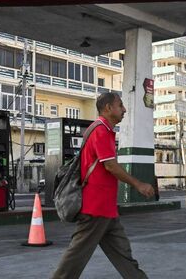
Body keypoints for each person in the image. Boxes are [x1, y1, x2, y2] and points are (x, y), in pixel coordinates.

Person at [52, 92, 155, 279]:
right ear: (108, 108)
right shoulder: (100, 130)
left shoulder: (103, 130)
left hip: (106, 209)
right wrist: (138, 184)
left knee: (123, 255)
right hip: (95, 208)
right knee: (74, 258)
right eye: (120, 105)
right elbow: (111, 166)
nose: (124, 110)